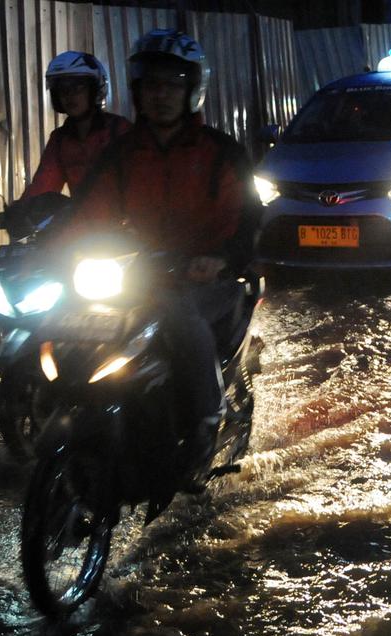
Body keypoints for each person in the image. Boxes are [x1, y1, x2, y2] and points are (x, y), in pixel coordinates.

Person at [63, 29, 260, 490]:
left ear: (193, 90)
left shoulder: (221, 152)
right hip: (147, 270)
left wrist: (223, 258)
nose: (162, 95)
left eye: (172, 85)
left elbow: (250, 217)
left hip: (211, 276)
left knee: (180, 316)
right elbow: (89, 212)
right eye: (152, 85)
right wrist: (59, 251)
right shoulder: (122, 154)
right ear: (137, 92)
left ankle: (204, 425)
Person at [21, 51, 131, 199]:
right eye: (63, 89)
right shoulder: (59, 140)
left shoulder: (119, 130)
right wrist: (20, 210)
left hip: (123, 218)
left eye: (78, 87)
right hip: (82, 218)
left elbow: (141, 181)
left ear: (94, 89)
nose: (69, 95)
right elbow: (44, 184)